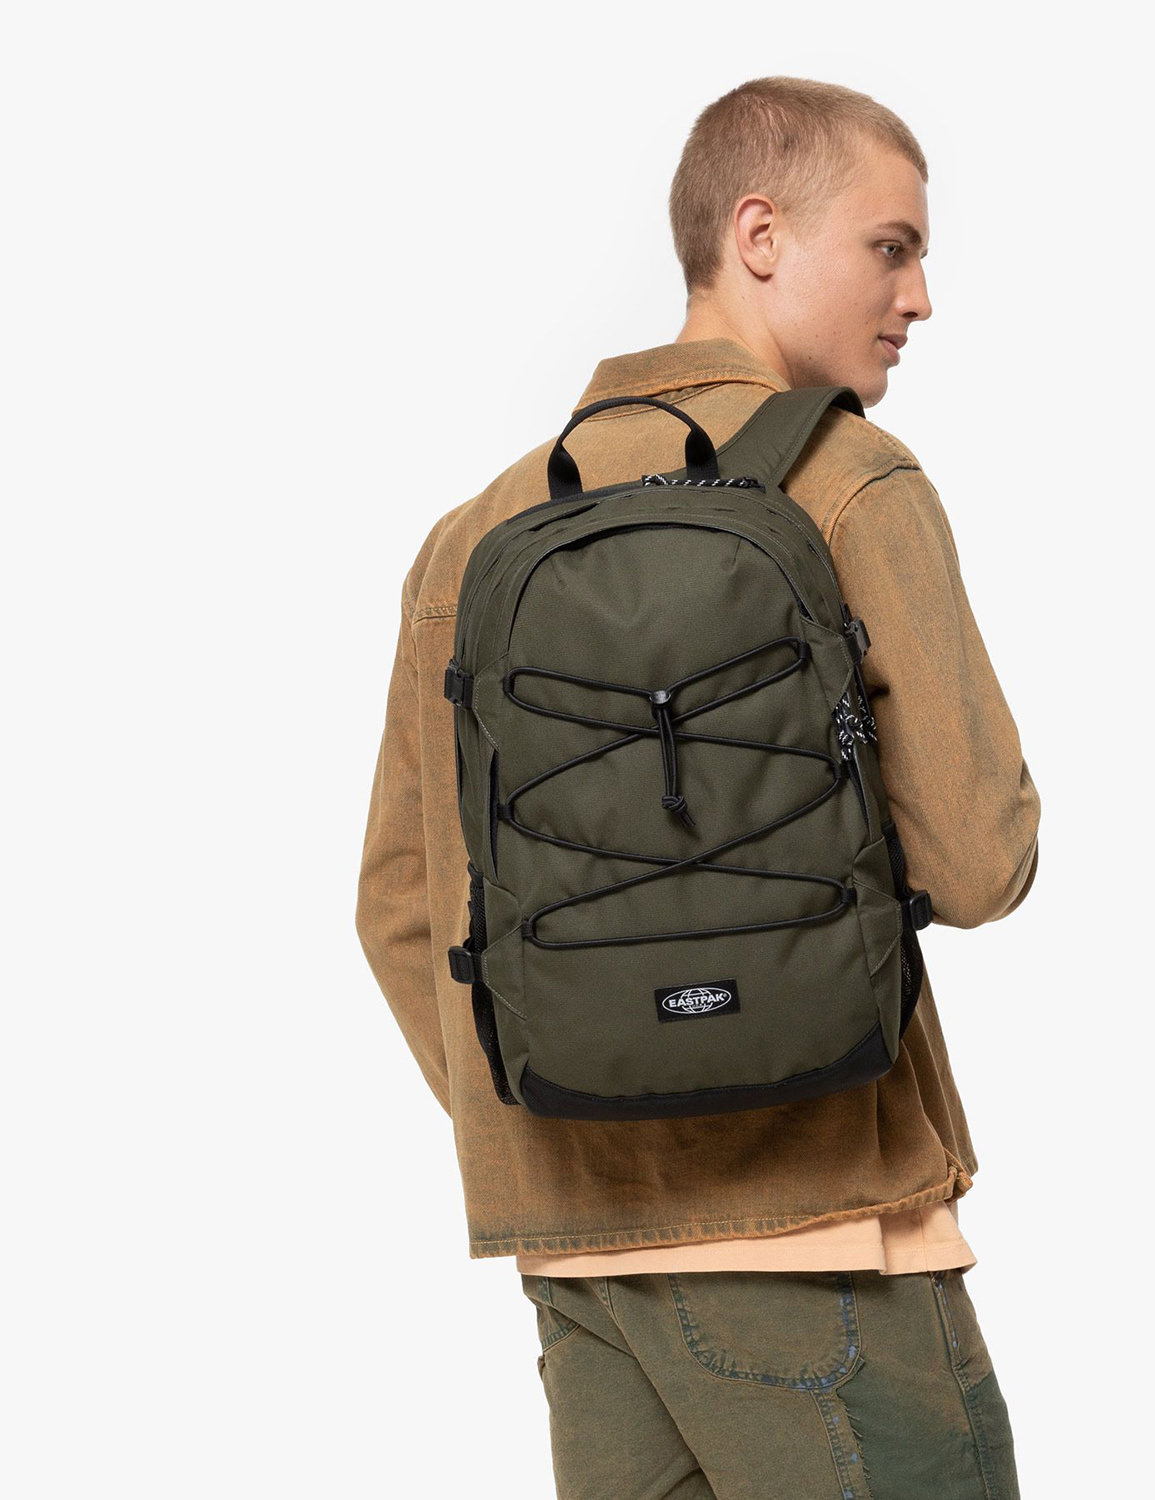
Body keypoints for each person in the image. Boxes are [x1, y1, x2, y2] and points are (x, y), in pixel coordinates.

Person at [356, 75, 1040, 1499]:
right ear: (759, 235)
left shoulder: (473, 536)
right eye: (893, 247)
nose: (919, 298)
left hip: (578, 1259)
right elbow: (979, 862)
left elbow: (403, 906)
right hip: (826, 1234)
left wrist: (579, 1091)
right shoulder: (850, 484)